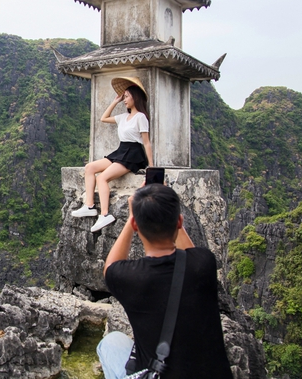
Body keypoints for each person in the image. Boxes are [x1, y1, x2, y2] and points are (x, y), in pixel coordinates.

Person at [97, 183, 232, 379]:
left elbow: (110, 266)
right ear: (179, 222)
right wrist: (168, 209)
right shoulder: (205, 264)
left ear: (136, 226)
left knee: (109, 344)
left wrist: (131, 218)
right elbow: (190, 253)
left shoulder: (129, 277)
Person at [71, 77, 153, 232]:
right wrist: (115, 101)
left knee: (102, 178)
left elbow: (146, 143)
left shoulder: (141, 117)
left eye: (127, 96)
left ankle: (105, 215)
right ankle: (89, 206)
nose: (125, 100)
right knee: (90, 168)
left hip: (133, 154)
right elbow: (103, 118)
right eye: (124, 97)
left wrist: (152, 166)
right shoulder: (123, 117)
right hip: (121, 151)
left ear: (136, 97)